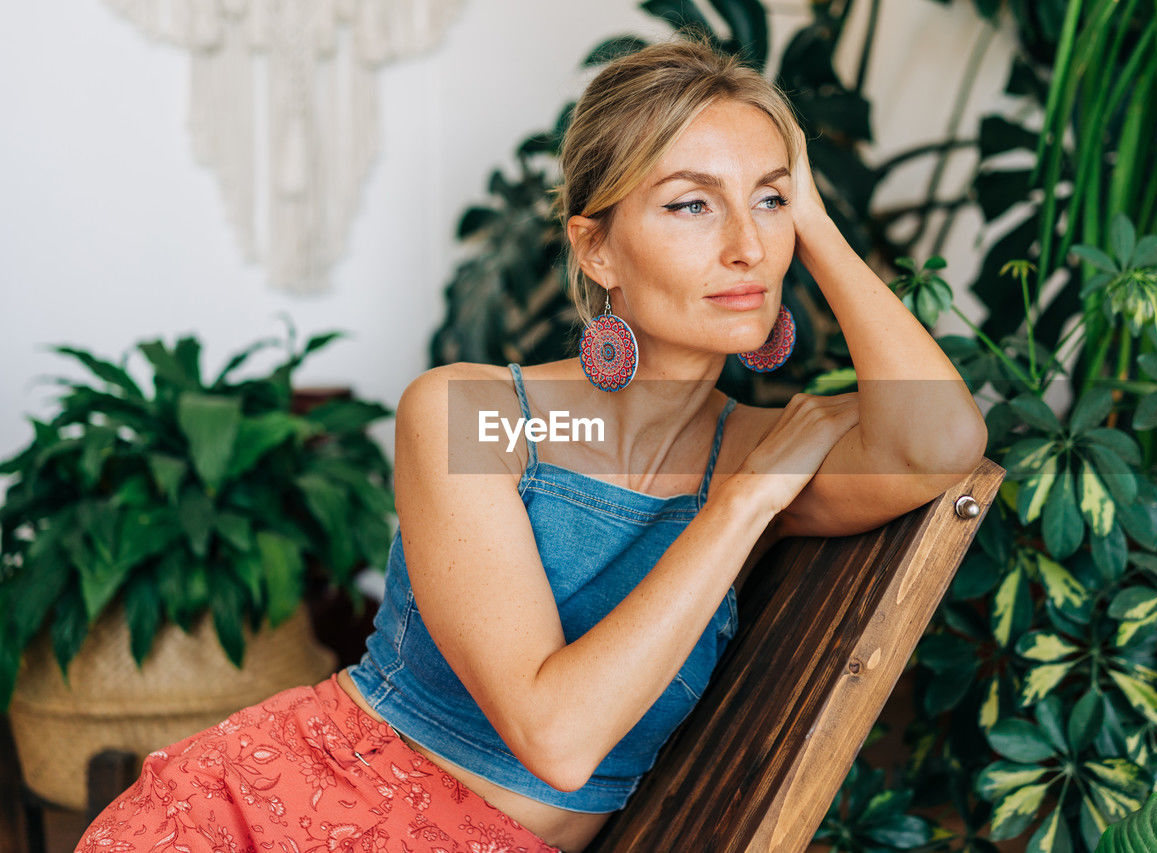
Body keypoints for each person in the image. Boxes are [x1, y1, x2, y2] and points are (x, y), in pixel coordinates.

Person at [77, 35, 986, 853]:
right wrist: (747, 500)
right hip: (282, 816)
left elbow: (944, 442)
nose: (748, 246)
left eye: (769, 201)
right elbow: (557, 736)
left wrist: (812, 220)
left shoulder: (753, 444)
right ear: (597, 251)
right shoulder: (482, 416)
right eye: (690, 206)